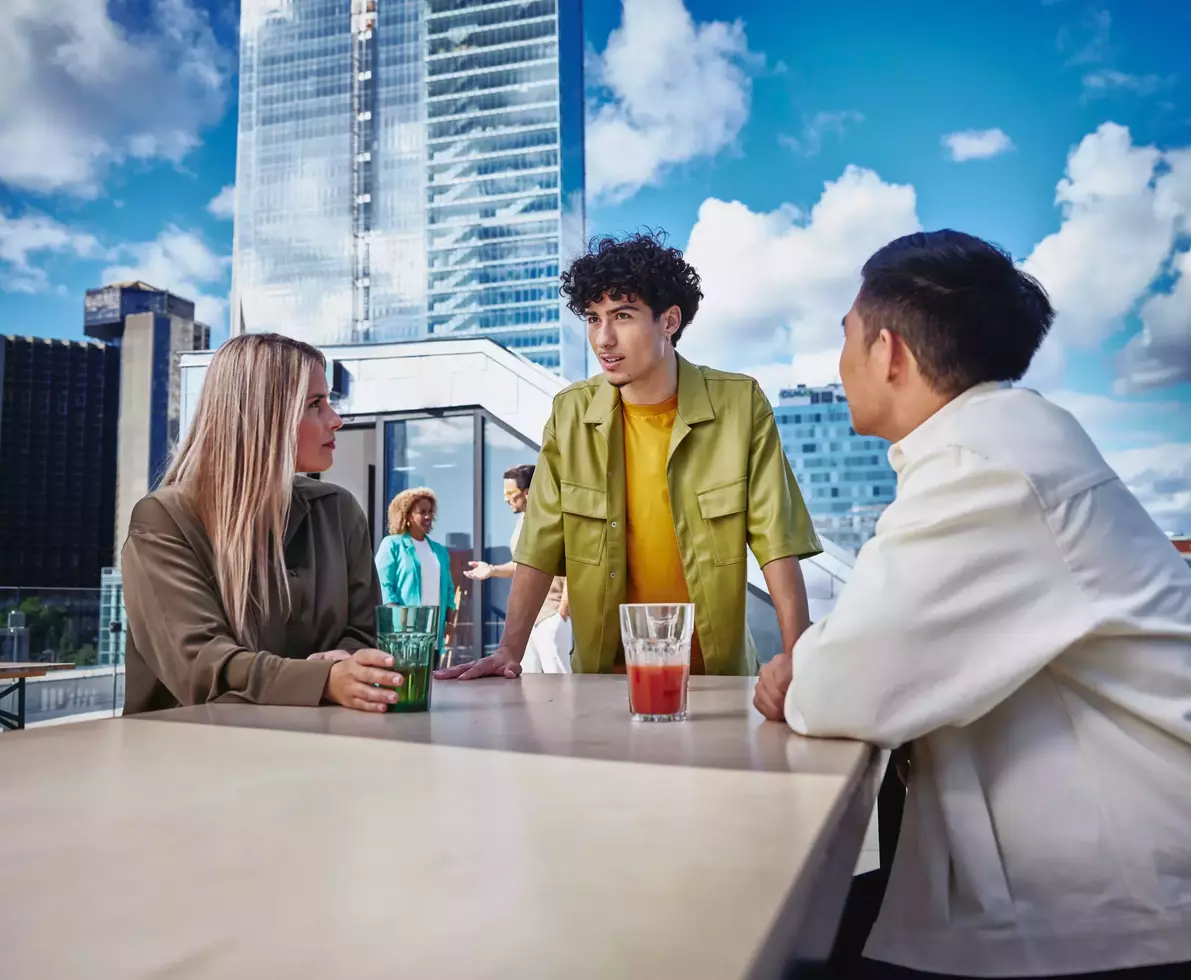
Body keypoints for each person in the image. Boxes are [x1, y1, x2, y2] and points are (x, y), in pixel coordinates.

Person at [753, 230, 1191, 979]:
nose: (841, 361)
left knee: (765, 937)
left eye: (846, 338)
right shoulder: (1003, 439)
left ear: (888, 352)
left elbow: (842, 686)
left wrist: (804, 669)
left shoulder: (984, 464)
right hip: (1079, 864)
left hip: (1115, 894)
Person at [437, 231, 822, 682]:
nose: (604, 338)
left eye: (622, 315)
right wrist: (510, 650)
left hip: (717, 679)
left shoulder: (740, 404)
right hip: (602, 681)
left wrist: (798, 655)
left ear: (669, 321)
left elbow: (777, 543)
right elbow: (539, 544)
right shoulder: (570, 414)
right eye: (593, 318)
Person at [122, 333, 406, 716]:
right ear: (263, 416)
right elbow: (203, 668)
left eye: (330, 403)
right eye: (315, 405)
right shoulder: (164, 521)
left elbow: (366, 631)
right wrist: (324, 680)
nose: (336, 420)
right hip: (188, 755)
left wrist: (348, 660)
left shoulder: (340, 512)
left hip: (326, 748)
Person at [464, 464, 572, 672]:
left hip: (552, 616)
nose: (506, 499)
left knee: (561, 683)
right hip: (528, 621)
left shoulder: (554, 521)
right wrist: (492, 570)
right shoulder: (522, 522)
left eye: (510, 493)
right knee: (528, 683)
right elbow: (524, 565)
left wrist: (562, 611)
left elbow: (570, 565)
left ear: (528, 492)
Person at [375, 487, 456, 649]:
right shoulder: (392, 545)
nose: (428, 516)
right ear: (408, 516)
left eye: (430, 511)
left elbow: (448, 588)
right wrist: (397, 620)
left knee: (432, 673)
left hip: (434, 632)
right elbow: (383, 585)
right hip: (401, 634)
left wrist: (450, 622)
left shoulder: (439, 551)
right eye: (422, 512)